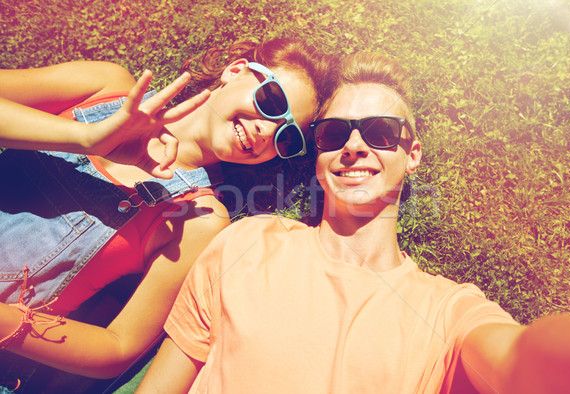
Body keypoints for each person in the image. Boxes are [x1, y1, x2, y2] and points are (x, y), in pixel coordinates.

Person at [139, 52, 570, 393]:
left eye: (380, 133)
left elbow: (521, 362)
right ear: (318, 156)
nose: (354, 146)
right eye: (335, 133)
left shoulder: (448, 310)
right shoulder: (245, 243)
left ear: (412, 154)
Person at [0, 38, 332, 390]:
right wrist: (85, 138)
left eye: (287, 137)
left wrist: (7, 323)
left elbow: (118, 347)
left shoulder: (200, 217)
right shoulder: (105, 86)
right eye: (271, 101)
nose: (267, 131)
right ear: (235, 71)